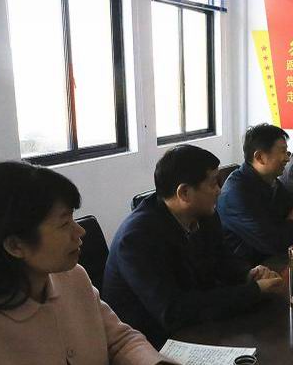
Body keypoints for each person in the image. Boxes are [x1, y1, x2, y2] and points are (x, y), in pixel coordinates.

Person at [0, 162, 188, 365]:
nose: (80, 232)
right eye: (64, 223)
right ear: (15, 245)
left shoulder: (72, 277)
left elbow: (120, 340)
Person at [102, 145, 282, 348]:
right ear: (185, 193)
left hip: (197, 326)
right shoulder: (137, 237)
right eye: (213, 184)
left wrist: (248, 274)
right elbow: (173, 311)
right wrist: (253, 291)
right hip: (150, 343)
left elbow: (223, 260)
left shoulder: (204, 215)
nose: (219, 190)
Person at [217, 124, 293, 264]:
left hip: (272, 260)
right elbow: (273, 244)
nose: (287, 158)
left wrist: (286, 226)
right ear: (260, 157)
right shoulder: (237, 193)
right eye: (282, 152)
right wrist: (291, 221)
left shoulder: (271, 181)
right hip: (248, 268)